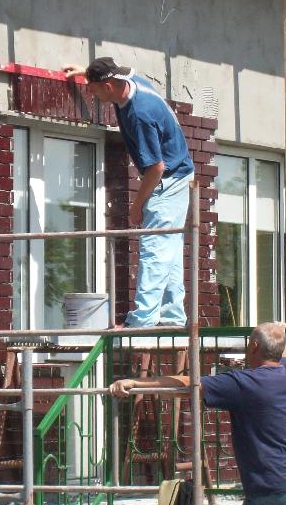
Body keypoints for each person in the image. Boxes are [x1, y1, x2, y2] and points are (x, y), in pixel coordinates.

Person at [109, 322, 286, 505]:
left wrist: (136, 384)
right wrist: (281, 330)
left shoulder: (244, 383)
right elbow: (284, 352)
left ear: (254, 347)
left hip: (271, 491)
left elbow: (187, 385)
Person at [63, 57, 194, 327]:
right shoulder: (131, 82)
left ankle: (143, 320)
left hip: (167, 180)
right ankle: (173, 316)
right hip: (180, 176)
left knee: (154, 249)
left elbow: (155, 168)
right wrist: (85, 72)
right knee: (167, 250)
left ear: (109, 87)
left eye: (93, 88)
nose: (91, 93)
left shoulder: (140, 115)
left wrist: (137, 205)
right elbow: (115, 69)